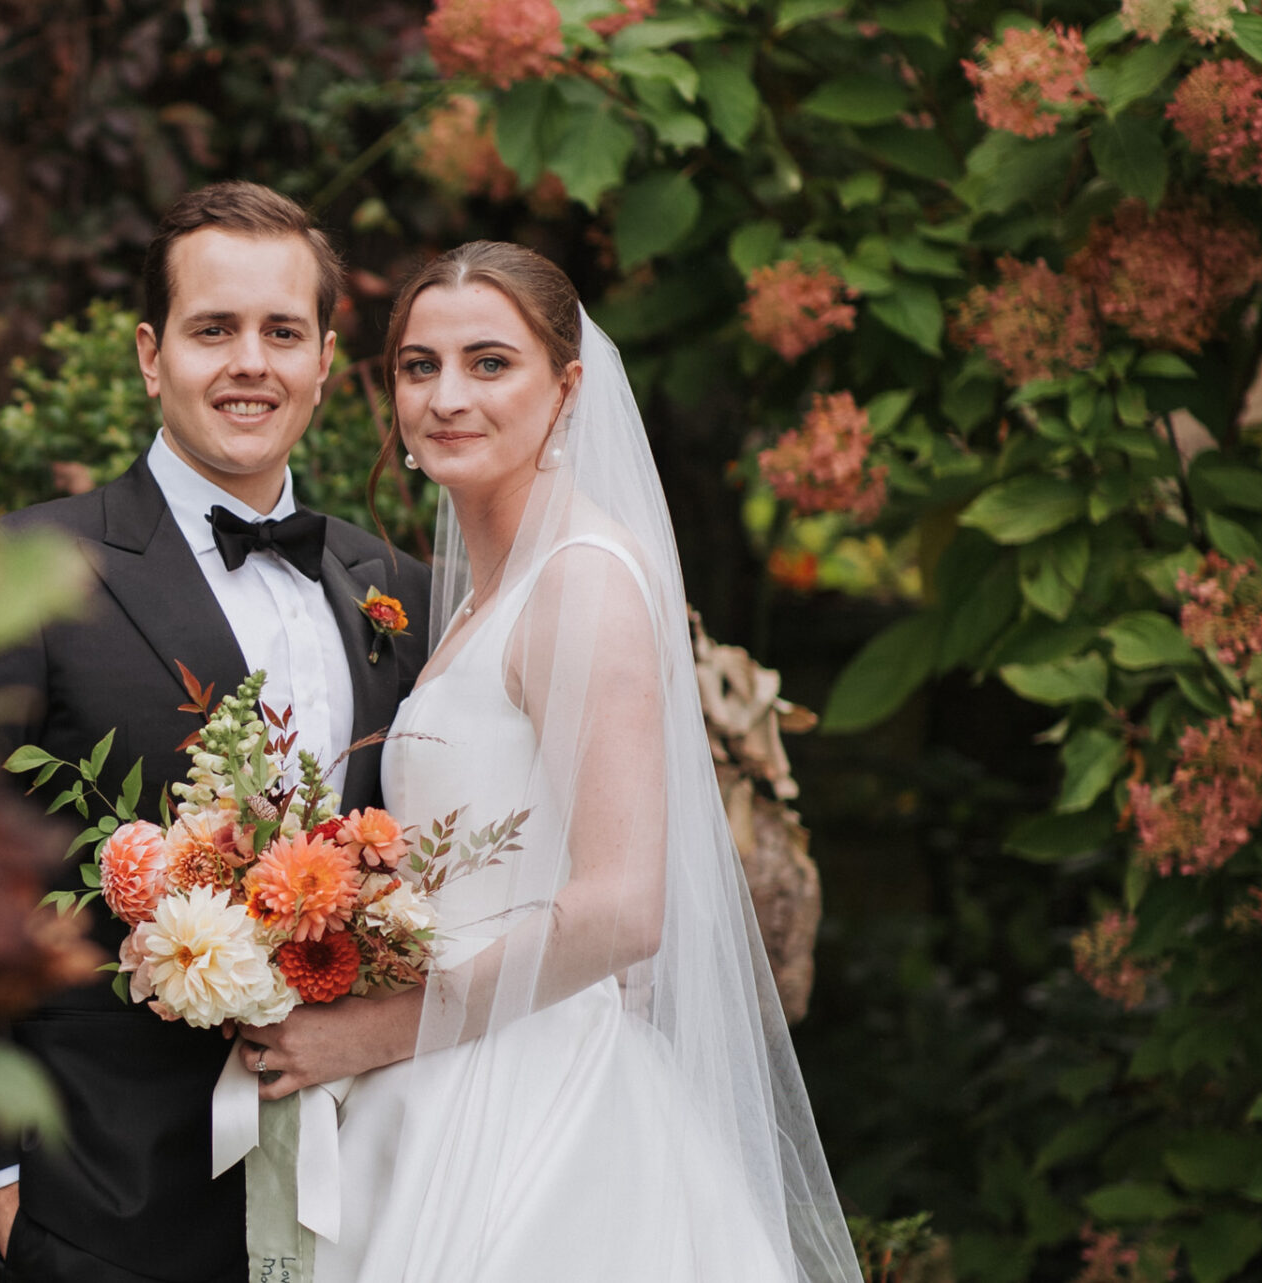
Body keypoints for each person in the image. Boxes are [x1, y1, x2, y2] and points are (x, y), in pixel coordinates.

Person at [230, 242, 862, 1281]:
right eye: (419, 365)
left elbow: (621, 909)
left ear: (567, 388)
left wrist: (377, 1030)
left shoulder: (581, 582)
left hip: (533, 1103)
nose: (445, 396)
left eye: (490, 363)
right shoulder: (480, 593)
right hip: (449, 1079)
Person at [0, 181, 430, 1283]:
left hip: (385, 1190)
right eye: (213, 329)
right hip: (105, 1203)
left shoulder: (400, 592)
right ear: (152, 355)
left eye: (283, 331)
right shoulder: (24, 573)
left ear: (328, 361)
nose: (252, 361)